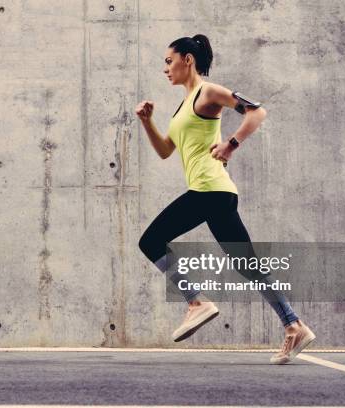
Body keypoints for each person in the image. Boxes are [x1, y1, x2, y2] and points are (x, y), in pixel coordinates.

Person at [134, 34, 315, 364]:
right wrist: (147, 122)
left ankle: (196, 303)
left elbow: (257, 112)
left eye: (168, 60)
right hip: (213, 193)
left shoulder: (209, 92)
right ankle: (294, 325)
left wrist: (231, 143)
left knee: (151, 241)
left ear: (188, 59)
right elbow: (164, 151)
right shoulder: (183, 107)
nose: (165, 68)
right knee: (248, 265)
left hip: (210, 190)